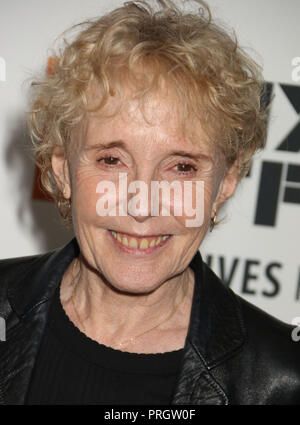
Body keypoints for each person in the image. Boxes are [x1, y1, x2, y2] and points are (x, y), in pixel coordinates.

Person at [0, 0, 299, 406]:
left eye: (181, 167)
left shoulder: (282, 379)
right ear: (63, 170)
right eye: (111, 160)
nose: (142, 205)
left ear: (226, 182)